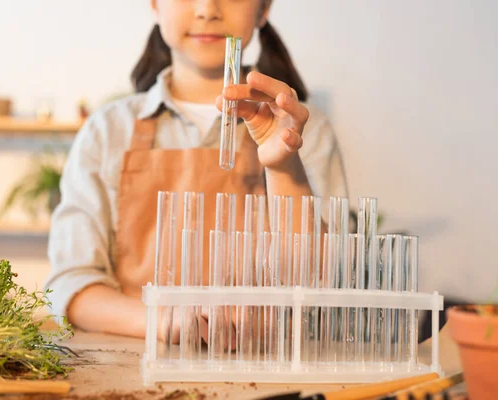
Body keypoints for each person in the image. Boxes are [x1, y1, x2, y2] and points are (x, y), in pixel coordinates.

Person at [45, 0, 347, 341]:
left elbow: (329, 287)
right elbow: (71, 284)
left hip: (266, 374)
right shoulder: (107, 131)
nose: (207, 9)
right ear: (156, 5)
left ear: (263, 9)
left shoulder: (306, 129)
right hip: (131, 369)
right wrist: (163, 321)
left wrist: (283, 167)